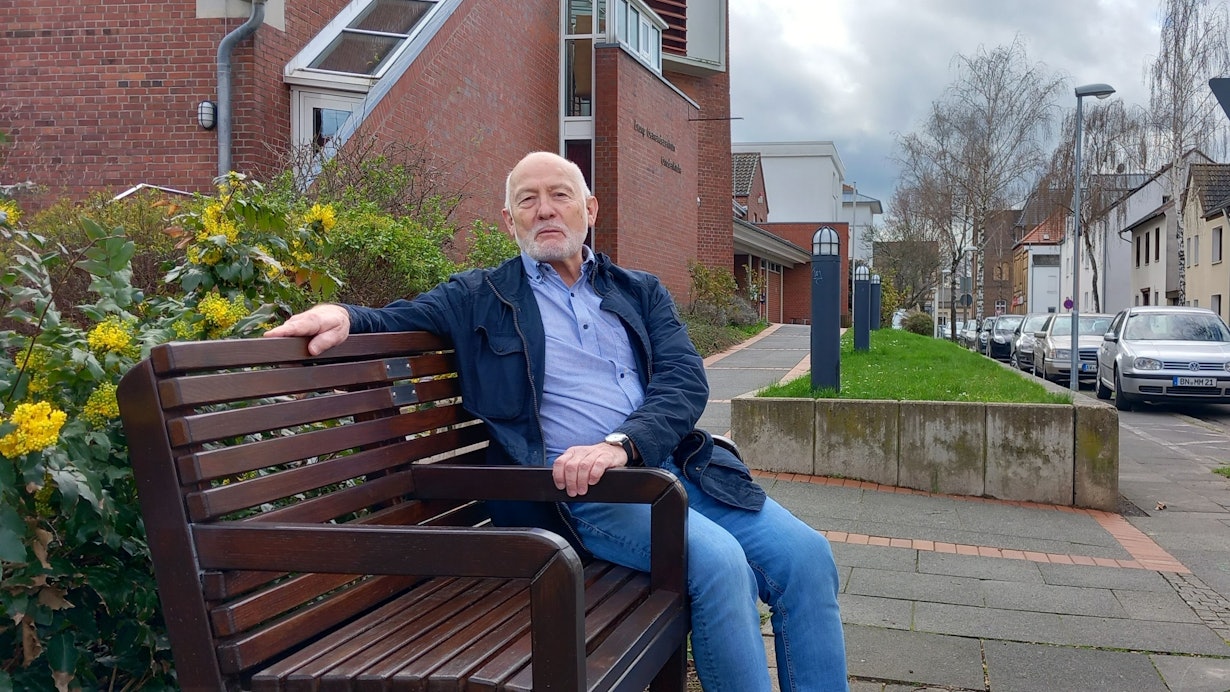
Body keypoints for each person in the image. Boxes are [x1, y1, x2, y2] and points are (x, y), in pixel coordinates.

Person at [265, 151, 848, 691]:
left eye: (561, 194)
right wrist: (339, 312)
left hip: (680, 470)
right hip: (587, 494)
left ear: (589, 209)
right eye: (528, 199)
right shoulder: (481, 296)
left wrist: (624, 444)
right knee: (719, 565)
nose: (545, 208)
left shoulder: (638, 290)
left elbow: (684, 380)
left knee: (806, 557)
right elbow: (395, 316)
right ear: (508, 219)